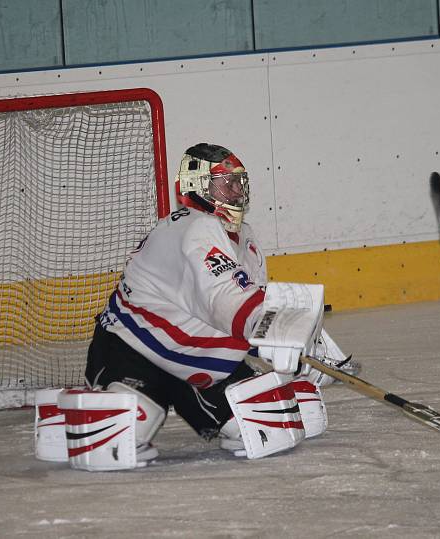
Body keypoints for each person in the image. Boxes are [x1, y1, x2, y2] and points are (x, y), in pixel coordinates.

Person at [82, 142, 356, 467]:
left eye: (240, 183)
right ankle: (100, 404)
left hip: (197, 360)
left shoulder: (246, 238)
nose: (236, 192)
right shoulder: (196, 228)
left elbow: (252, 303)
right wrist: (283, 334)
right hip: (135, 350)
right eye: (227, 184)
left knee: (279, 421)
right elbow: (226, 301)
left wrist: (308, 343)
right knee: (116, 435)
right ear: (197, 187)